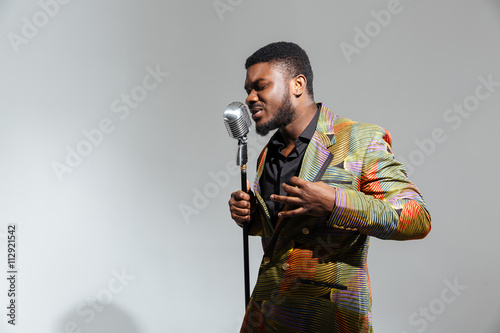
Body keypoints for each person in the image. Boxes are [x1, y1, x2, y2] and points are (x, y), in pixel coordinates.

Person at [228, 41, 431, 333]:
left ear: (297, 84)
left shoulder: (361, 140)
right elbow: (284, 236)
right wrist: (252, 215)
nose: (249, 98)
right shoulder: (267, 154)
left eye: (260, 86)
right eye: (248, 89)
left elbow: (416, 218)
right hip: (266, 317)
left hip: (330, 320)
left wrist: (337, 202)